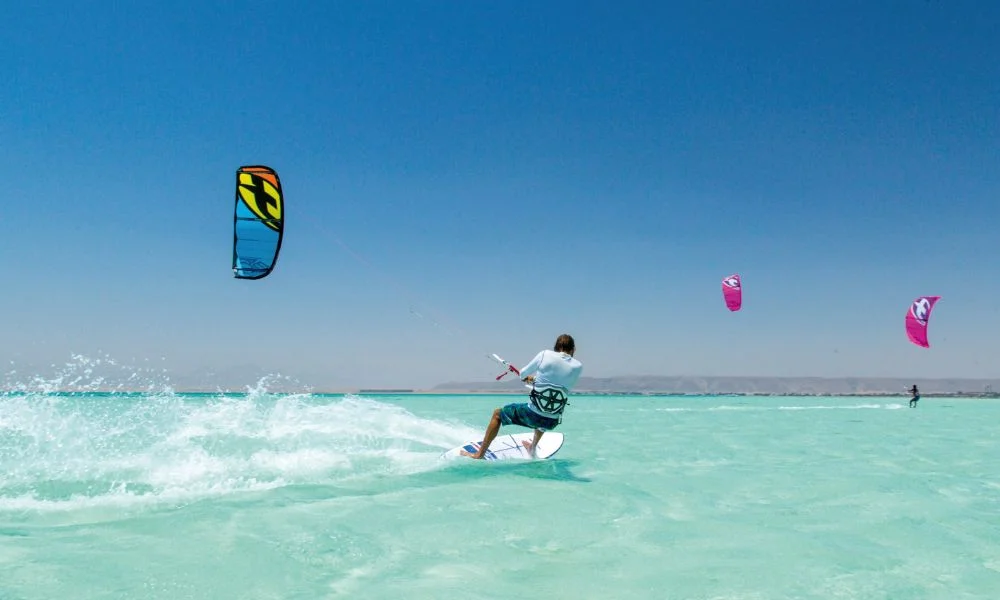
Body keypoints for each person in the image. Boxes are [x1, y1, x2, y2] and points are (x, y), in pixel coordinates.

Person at [461, 334, 583, 459]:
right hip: (552, 421)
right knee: (545, 410)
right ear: (573, 349)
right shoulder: (578, 367)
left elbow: (523, 373)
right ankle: (532, 447)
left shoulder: (545, 354)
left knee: (497, 414)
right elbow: (556, 384)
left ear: (556, 347)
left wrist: (526, 377)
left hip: (533, 416)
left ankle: (479, 454)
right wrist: (534, 380)